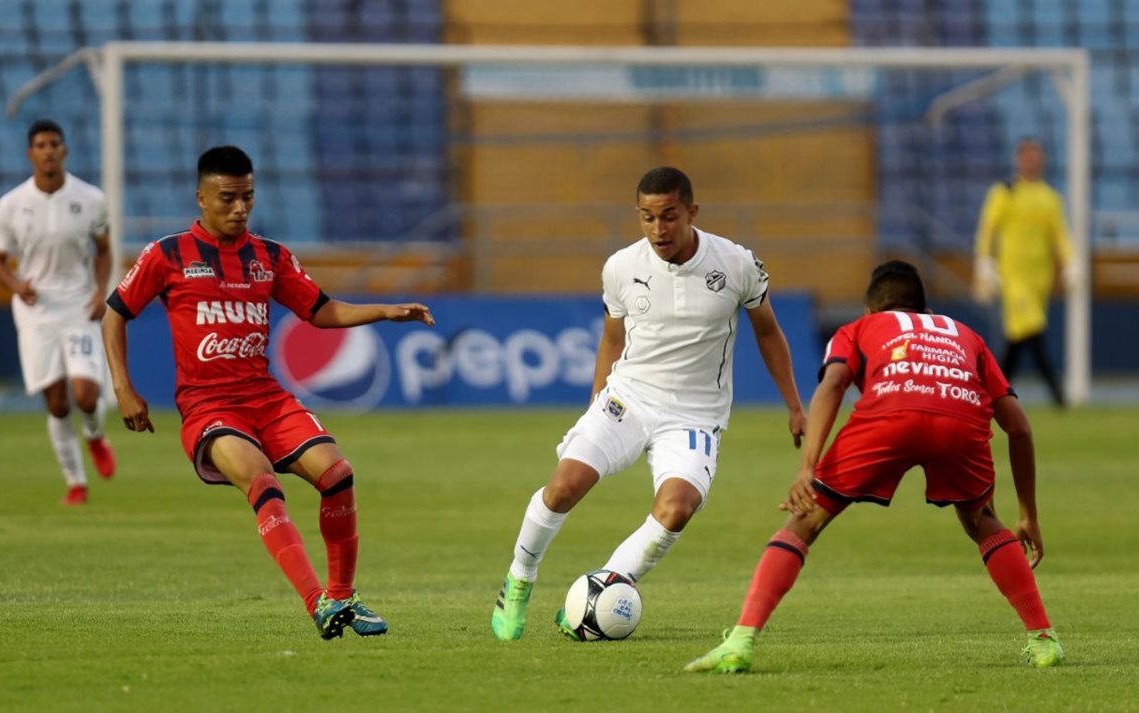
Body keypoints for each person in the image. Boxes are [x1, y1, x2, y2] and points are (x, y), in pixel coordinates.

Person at [101, 145, 435, 640]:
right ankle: (317, 603)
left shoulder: (269, 256)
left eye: (248, 197)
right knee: (262, 482)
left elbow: (319, 310)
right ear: (201, 198)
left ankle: (343, 597)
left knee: (338, 474)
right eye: (228, 198)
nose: (240, 208)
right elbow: (114, 313)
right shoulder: (166, 255)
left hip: (267, 398)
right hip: (209, 406)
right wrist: (122, 388)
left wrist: (384, 311)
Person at [684, 260, 1063, 674]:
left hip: (889, 417)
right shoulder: (967, 336)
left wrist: (807, 467)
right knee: (982, 519)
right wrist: (1028, 514)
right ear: (925, 310)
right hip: (960, 420)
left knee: (804, 521)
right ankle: (1044, 640)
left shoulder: (858, 329)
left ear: (869, 310)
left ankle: (740, 641)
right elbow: (1019, 427)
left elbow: (833, 384)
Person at [490, 166, 807, 641]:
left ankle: (597, 593)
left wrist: (794, 405)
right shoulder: (621, 267)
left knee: (677, 508)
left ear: (692, 213)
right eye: (646, 217)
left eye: (668, 216)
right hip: (629, 398)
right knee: (563, 486)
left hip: (694, 414)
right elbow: (611, 338)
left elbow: (768, 332)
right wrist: (595, 402)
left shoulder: (736, 264)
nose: (658, 229)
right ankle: (518, 580)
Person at [0, 118, 117, 506]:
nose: (49, 151)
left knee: (86, 395)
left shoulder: (90, 198)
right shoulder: (11, 205)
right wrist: (16, 285)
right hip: (36, 310)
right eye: (41, 145)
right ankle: (76, 483)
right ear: (31, 153)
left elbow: (104, 250)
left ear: (65, 151)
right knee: (57, 402)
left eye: (54, 144)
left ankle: (95, 436)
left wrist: (100, 292)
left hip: (78, 305)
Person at [971, 138, 1077, 407]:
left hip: (1040, 279)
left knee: (1019, 337)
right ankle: (1057, 394)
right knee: (1032, 329)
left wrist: (1070, 262)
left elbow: (1060, 235)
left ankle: (994, 391)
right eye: (1027, 156)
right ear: (1018, 159)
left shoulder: (1050, 198)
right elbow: (988, 229)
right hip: (1013, 276)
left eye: (1036, 156)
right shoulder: (1004, 193)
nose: (1032, 161)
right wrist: (984, 261)